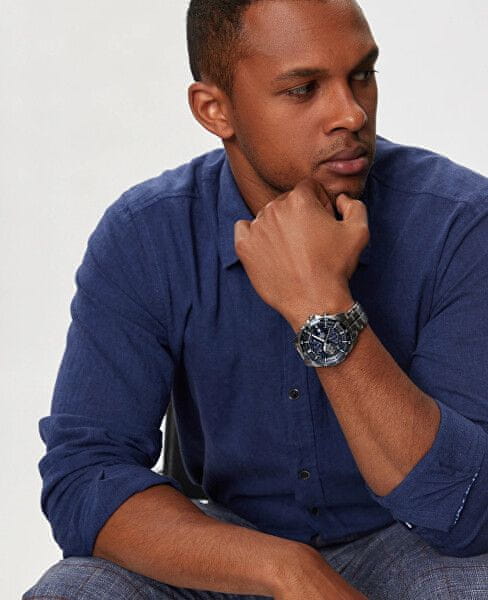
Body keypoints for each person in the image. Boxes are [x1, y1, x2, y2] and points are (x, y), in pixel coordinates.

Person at [23, 1, 488, 598]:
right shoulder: (147, 234)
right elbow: (85, 477)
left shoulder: (459, 225)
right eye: (303, 89)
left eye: (362, 75)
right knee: (74, 590)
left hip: (410, 542)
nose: (351, 113)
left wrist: (321, 304)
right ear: (214, 110)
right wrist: (286, 571)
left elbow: (466, 510)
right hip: (231, 543)